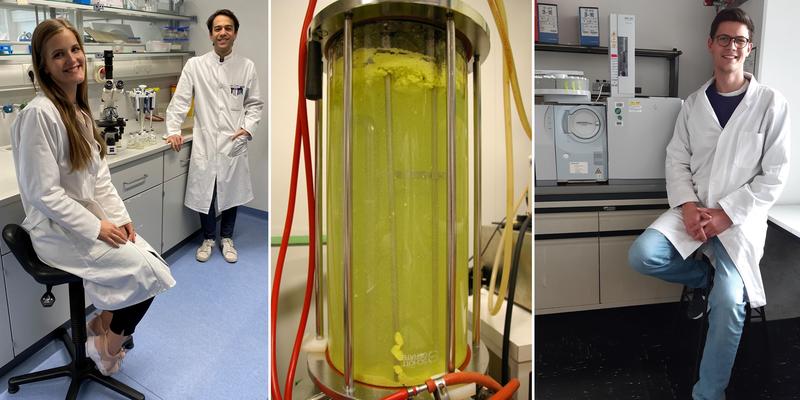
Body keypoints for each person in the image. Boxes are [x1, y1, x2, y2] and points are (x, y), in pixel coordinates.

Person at [628, 8, 790, 400]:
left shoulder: (771, 103)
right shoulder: (692, 105)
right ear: (710, 44)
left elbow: (776, 174)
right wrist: (686, 205)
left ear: (748, 48)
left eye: (738, 40)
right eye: (724, 38)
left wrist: (727, 214)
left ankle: (708, 393)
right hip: (693, 211)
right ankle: (702, 280)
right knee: (642, 255)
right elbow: (676, 159)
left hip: (739, 222)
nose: (731, 46)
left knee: (731, 301)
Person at [10, 19, 176, 376]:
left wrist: (120, 217)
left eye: (74, 49)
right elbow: (43, 193)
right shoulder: (40, 114)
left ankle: (101, 325)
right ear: (43, 66)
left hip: (86, 222)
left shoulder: (79, 112)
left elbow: (100, 178)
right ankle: (105, 347)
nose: (71, 59)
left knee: (152, 265)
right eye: (58, 54)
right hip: (57, 231)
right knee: (145, 275)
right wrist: (97, 226)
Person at [165, 9, 263, 263]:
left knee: (232, 191)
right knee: (205, 190)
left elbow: (255, 104)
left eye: (228, 28)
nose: (223, 32)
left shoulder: (246, 66)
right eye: (218, 28)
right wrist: (173, 130)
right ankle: (208, 238)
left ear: (235, 33)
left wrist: (249, 127)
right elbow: (180, 100)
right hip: (206, 140)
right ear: (210, 34)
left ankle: (227, 238)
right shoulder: (195, 66)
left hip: (233, 141)